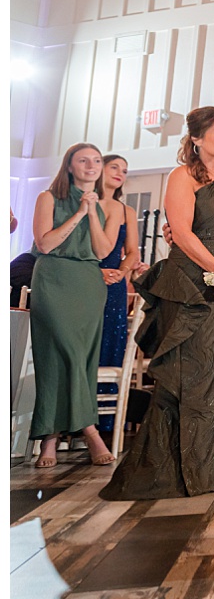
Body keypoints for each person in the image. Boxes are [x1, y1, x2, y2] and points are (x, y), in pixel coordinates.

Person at [103, 107, 214, 498]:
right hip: (192, 282)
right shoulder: (182, 176)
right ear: (197, 138)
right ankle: (176, 472)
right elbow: (184, 235)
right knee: (188, 371)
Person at [28, 143, 123, 467]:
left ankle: (50, 439)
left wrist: (93, 211)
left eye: (96, 160)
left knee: (80, 359)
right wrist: (80, 213)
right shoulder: (48, 198)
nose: (91, 165)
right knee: (56, 355)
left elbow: (100, 251)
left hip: (87, 284)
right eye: (83, 160)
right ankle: (89, 430)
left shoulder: (112, 206)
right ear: (69, 166)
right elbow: (45, 243)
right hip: (53, 281)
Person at [96, 155, 141, 432]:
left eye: (125, 170)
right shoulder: (82, 204)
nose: (120, 173)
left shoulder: (127, 211)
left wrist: (122, 272)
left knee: (111, 344)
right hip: (84, 278)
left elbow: (134, 250)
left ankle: (105, 424)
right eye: (114, 167)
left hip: (114, 286)